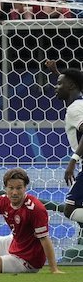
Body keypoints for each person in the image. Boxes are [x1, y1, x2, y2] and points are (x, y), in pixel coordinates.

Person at [55, 68, 83, 225]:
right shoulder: (79, 103)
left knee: (70, 209)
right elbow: (72, 84)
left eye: (59, 84)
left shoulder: (75, 109)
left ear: (71, 85)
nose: (55, 87)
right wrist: (57, 72)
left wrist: (72, 161)